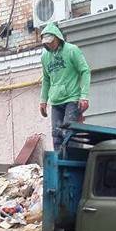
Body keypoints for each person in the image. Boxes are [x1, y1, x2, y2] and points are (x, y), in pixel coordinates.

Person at [39, 22, 91, 151]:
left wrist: (84, 96)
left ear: (58, 38)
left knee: (69, 134)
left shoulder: (72, 50)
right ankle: (59, 166)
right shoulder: (45, 56)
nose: (49, 44)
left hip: (72, 99)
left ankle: (72, 163)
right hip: (56, 100)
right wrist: (43, 101)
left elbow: (85, 71)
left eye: (51, 41)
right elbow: (46, 79)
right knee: (56, 135)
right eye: (46, 42)